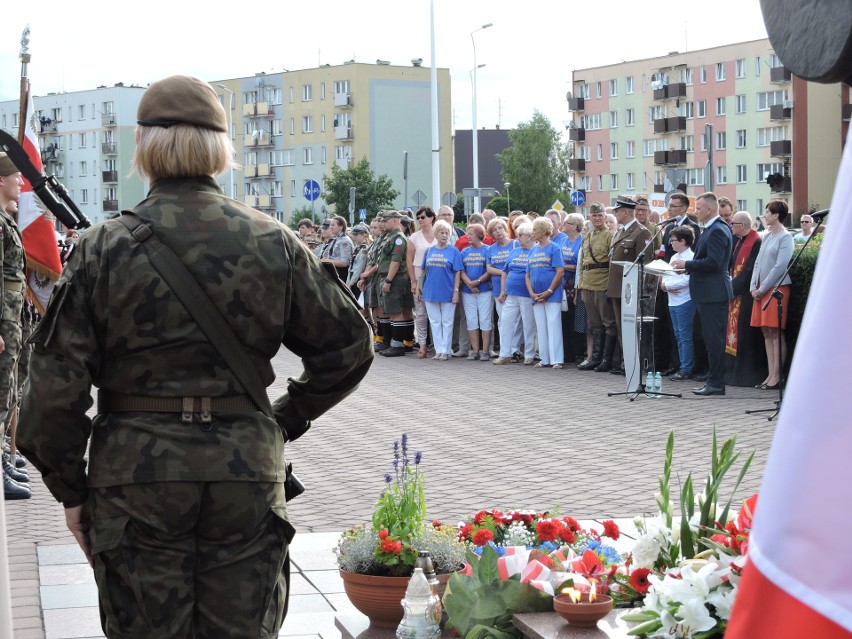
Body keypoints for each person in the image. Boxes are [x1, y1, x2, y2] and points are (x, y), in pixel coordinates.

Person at [16, 75, 373, 637]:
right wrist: (286, 417)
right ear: (221, 148)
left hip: (135, 479)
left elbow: (47, 401)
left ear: (143, 146)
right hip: (246, 474)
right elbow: (349, 346)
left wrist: (72, 489)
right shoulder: (273, 240)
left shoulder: (102, 247)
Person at [671, 191, 733, 396]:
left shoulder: (717, 230)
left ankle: (716, 383)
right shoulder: (711, 228)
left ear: (709, 209)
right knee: (709, 338)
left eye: (698, 208)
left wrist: (686, 263)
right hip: (708, 292)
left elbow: (715, 263)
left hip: (714, 292)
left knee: (714, 339)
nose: (695, 212)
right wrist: (687, 267)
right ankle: (713, 380)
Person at [0, 153, 31, 500]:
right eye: (15, 177)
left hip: (11, 318)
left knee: (9, 392)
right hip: (3, 321)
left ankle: (3, 460)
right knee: (1, 394)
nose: (21, 182)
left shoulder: (5, 221)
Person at [606, 196, 654, 375]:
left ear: (626, 212)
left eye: (617, 211)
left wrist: (641, 289)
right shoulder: (619, 231)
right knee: (621, 326)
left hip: (630, 289)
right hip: (617, 287)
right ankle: (627, 360)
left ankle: (634, 362)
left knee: (632, 327)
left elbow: (645, 264)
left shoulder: (641, 232)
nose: (615, 214)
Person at [750, 199, 795, 390]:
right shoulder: (767, 236)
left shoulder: (786, 237)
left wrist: (763, 287)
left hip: (776, 288)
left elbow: (780, 266)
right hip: (761, 289)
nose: (765, 215)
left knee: (776, 331)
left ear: (776, 215)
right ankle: (770, 374)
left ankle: (777, 376)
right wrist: (753, 286)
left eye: (768, 212)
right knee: (765, 331)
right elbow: (758, 263)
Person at [725, 211, 768, 387]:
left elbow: (749, 271)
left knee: (746, 337)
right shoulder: (740, 241)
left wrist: (731, 289)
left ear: (742, 225)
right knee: (737, 336)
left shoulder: (755, 241)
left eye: (733, 223)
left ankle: (746, 376)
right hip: (736, 296)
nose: (731, 226)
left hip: (747, 298)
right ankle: (733, 375)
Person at [577, 203, 614, 371]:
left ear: (605, 217)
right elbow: (583, 262)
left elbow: (613, 264)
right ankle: (595, 359)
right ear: (590, 217)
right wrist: (582, 285)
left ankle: (607, 360)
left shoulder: (610, 235)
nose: (597, 218)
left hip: (602, 283)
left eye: (600, 215)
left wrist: (609, 286)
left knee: (608, 322)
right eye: (594, 216)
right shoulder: (588, 236)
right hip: (588, 284)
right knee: (594, 324)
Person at [418, 220, 462, 360]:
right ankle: (438, 350)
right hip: (430, 291)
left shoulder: (454, 251)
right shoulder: (429, 251)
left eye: (446, 233)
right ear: (436, 234)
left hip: (447, 291)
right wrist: (419, 289)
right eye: (441, 233)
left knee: (447, 322)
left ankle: (446, 350)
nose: (444, 235)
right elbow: (423, 271)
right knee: (435, 321)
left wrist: (456, 291)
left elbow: (457, 272)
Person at [493, 223, 537, 365]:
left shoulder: (536, 251)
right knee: (505, 323)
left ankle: (529, 354)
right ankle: (505, 353)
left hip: (526, 294)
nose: (517, 238)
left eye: (520, 235)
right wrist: (503, 291)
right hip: (511, 295)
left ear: (530, 236)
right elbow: (505, 271)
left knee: (528, 325)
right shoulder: (514, 251)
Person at [525, 217, 565, 368]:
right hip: (536, 295)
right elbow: (527, 275)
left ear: (543, 231)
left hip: (551, 295)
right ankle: (545, 358)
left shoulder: (554, 248)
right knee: (541, 327)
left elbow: (560, 272)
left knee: (553, 324)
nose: (532, 232)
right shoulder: (533, 250)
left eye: (535, 229)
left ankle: (557, 359)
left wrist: (549, 291)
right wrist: (531, 292)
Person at [375, 210, 414, 357]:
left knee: (395, 311)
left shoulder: (398, 238)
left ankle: (398, 345)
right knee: (391, 311)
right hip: (387, 276)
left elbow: (396, 261)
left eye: (386, 221)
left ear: (395, 221)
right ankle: (395, 342)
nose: (382, 223)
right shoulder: (388, 237)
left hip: (394, 278)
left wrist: (389, 280)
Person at [660, 226, 696, 381]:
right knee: (678, 335)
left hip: (684, 300)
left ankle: (686, 368)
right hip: (672, 300)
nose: (671, 243)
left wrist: (668, 286)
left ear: (683, 241)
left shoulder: (691, 257)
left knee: (684, 335)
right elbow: (667, 275)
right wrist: (665, 284)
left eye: (674, 240)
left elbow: (688, 279)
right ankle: (682, 365)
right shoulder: (674, 257)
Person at [459, 223, 493, 360]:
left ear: (479, 235)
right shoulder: (464, 252)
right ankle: (475, 350)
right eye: (468, 234)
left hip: (484, 290)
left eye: (471, 234)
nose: (468, 236)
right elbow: (461, 271)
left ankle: (485, 351)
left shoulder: (488, 250)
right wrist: (469, 283)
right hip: (468, 291)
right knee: (471, 320)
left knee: (485, 319)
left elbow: (489, 270)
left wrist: (478, 281)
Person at [408, 207, 436, 358]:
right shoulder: (414, 237)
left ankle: (439, 345)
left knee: (437, 313)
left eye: (423, 217)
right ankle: (423, 345)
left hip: (438, 277)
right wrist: (413, 281)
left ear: (432, 218)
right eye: (418, 217)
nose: (420, 219)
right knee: (421, 312)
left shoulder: (440, 234)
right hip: (420, 276)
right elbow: (409, 260)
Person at [559, 213, 584, 364]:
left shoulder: (582, 241)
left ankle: (578, 352)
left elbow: (580, 265)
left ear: (574, 226)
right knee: (564, 319)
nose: (563, 224)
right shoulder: (563, 241)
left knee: (577, 318)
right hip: (562, 284)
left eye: (566, 222)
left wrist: (564, 266)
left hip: (574, 284)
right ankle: (566, 352)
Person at [321, 215, 355, 282]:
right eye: (330, 225)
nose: (330, 227)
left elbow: (344, 263)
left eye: (333, 225)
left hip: (341, 274)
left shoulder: (345, 241)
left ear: (341, 227)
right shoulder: (336, 239)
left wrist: (327, 261)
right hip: (335, 272)